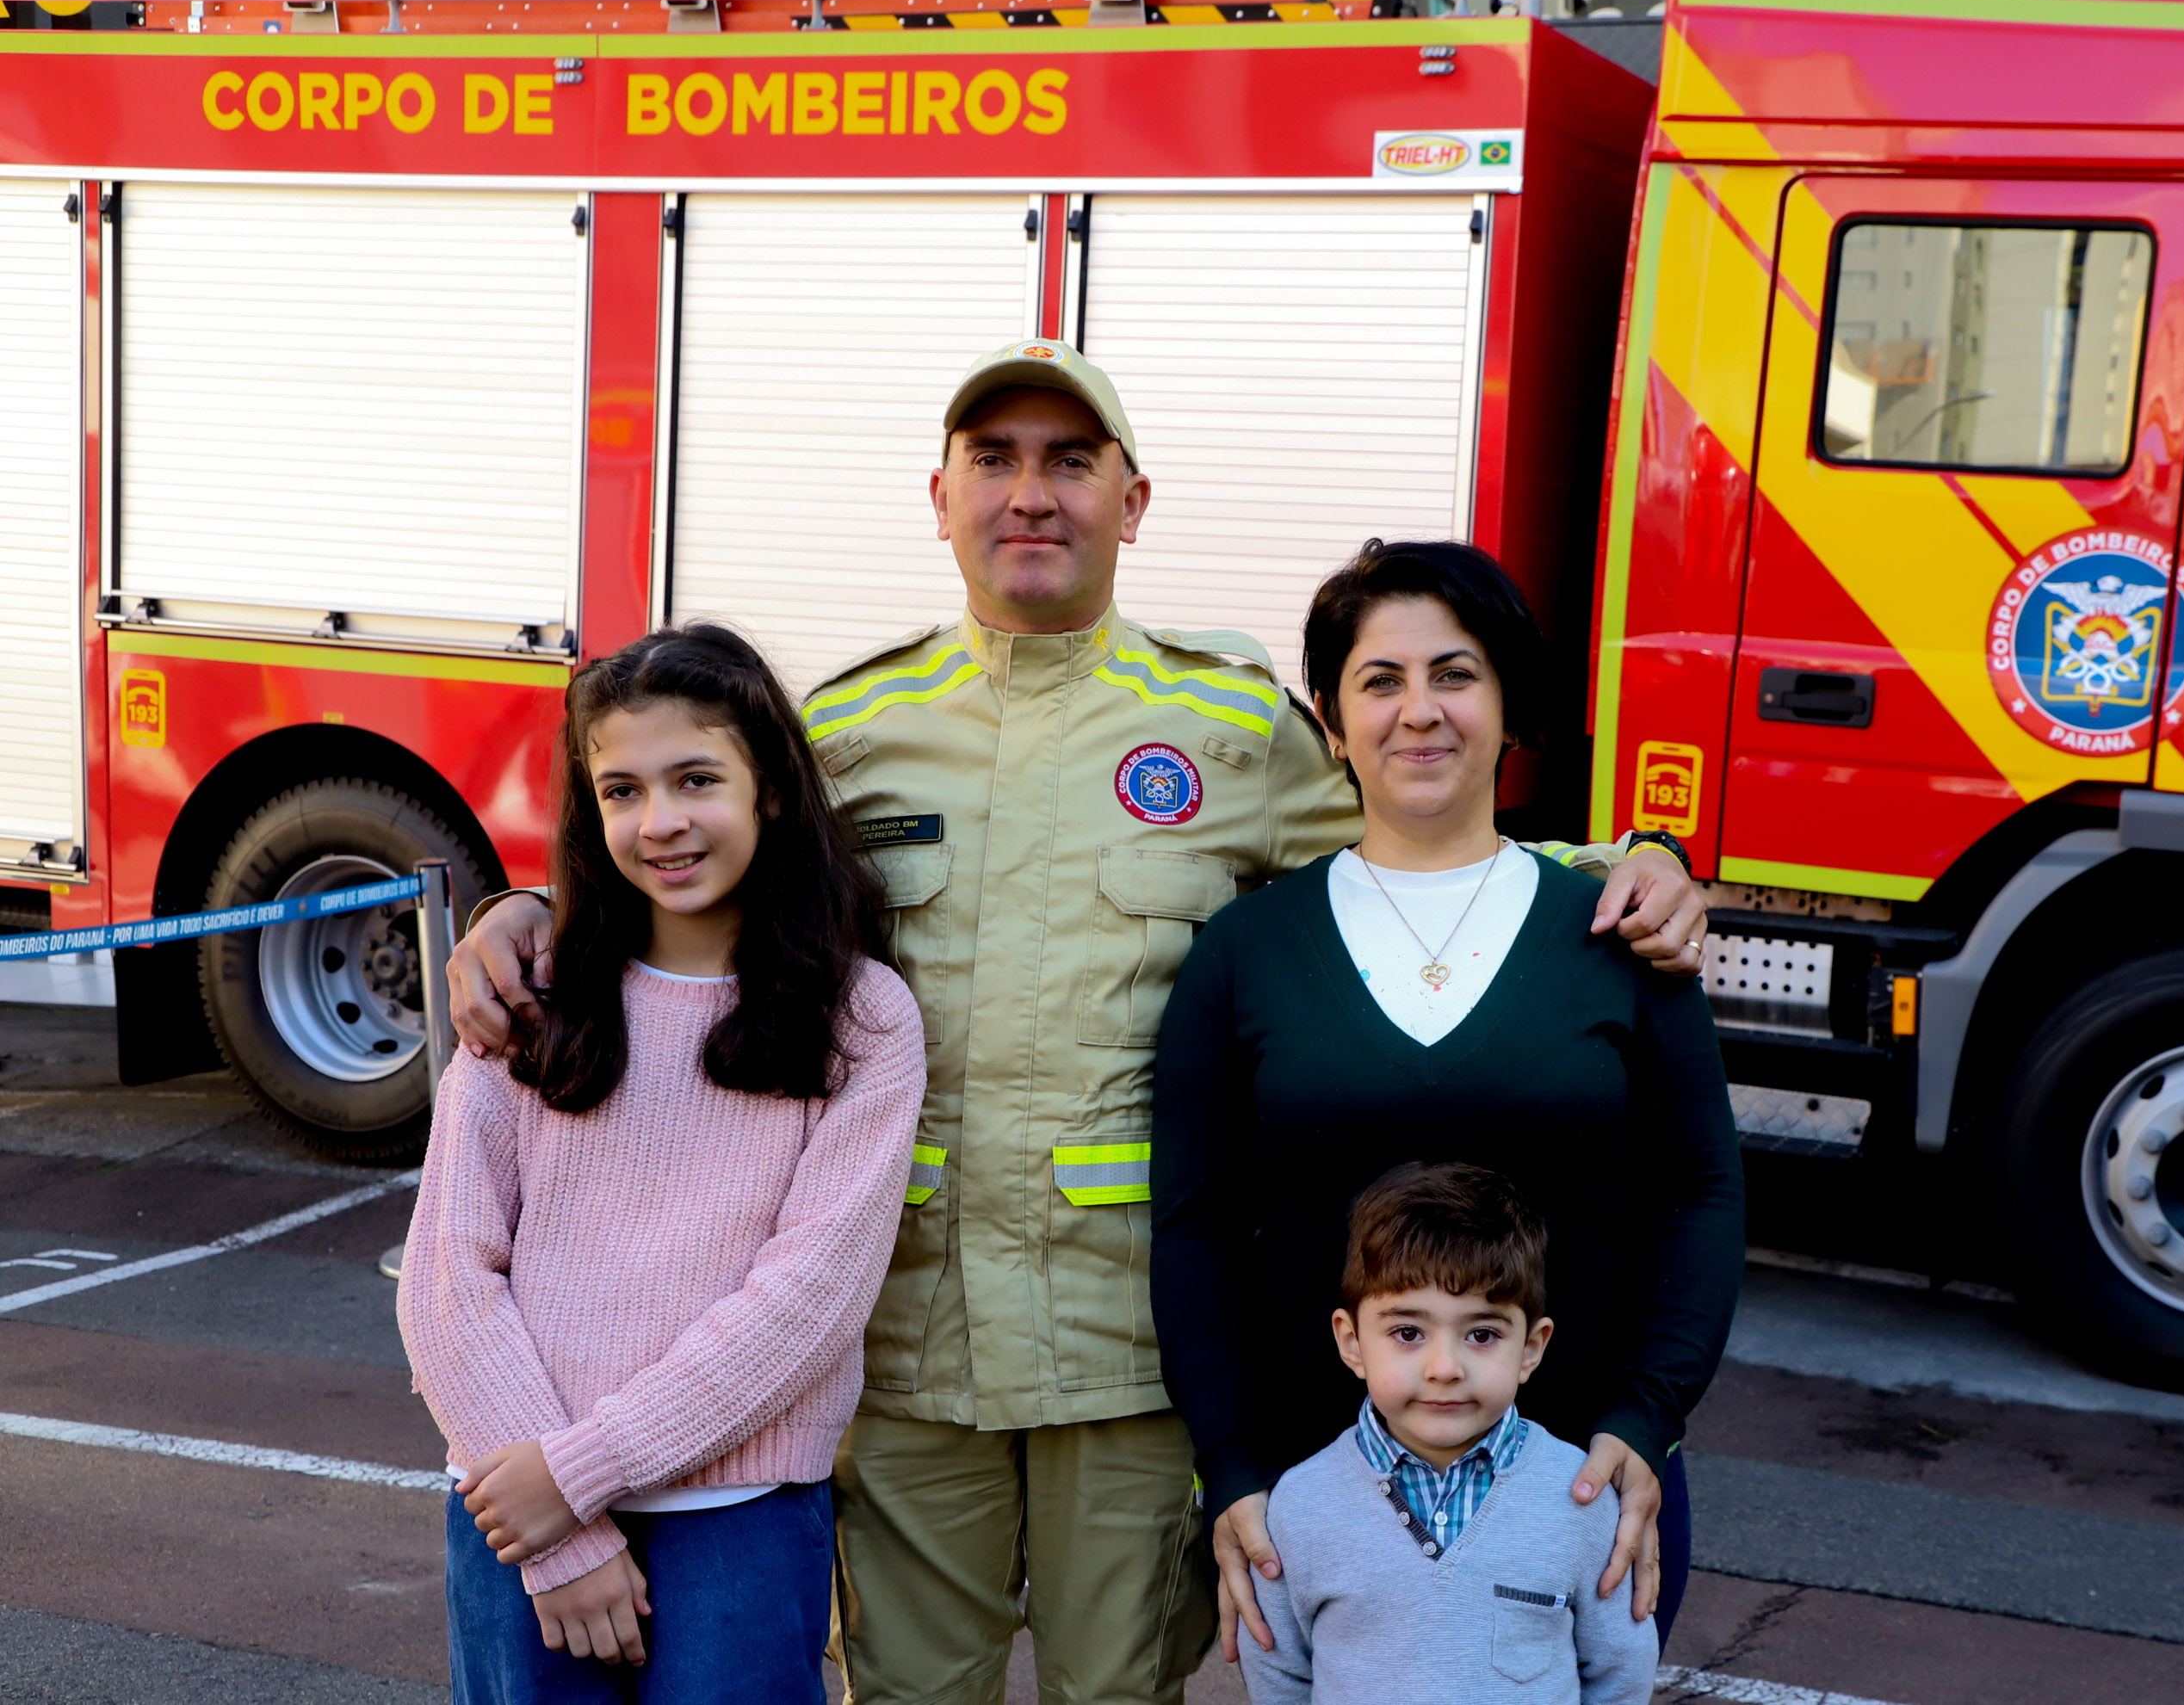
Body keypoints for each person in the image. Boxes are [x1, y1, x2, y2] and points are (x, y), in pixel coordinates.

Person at [443, 341, 1711, 1705]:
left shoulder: (1229, 725)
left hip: (1126, 1351)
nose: (1030, 494)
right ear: (941, 497)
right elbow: (698, 869)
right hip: (908, 1345)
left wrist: (1620, 863)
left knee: (1116, 1696)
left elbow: (1420, 836)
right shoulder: (852, 726)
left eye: (1070, 462)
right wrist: (524, 911)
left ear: (1134, 498)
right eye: (995, 460)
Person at [1151, 539, 1745, 1667]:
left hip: (1578, 1483)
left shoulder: (1617, 932)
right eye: (1381, 681)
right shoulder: (1247, 951)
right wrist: (1230, 1463)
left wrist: (1645, 1420)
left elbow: (1702, 1196)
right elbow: (1195, 1224)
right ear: (1332, 722)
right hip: (1320, 1492)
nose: (1418, 711)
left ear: (1508, 703)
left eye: (1455, 674)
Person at [398, 625, 925, 1702]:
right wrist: (560, 1534)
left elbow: (808, 1302)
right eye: (623, 790)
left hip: (737, 1516)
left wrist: (581, 1474)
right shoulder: (529, 996)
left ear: (770, 785)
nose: (662, 821)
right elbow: (449, 1278)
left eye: (697, 779)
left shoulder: (862, 1016)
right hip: (516, 1508)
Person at [1240, 1163, 1658, 1705]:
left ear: (1532, 1347)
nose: (1445, 1367)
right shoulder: (1300, 1505)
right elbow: (1279, 1676)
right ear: (1351, 1342)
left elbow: (1620, 1671)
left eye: (1481, 1334)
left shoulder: (1580, 1498)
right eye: (1408, 1332)